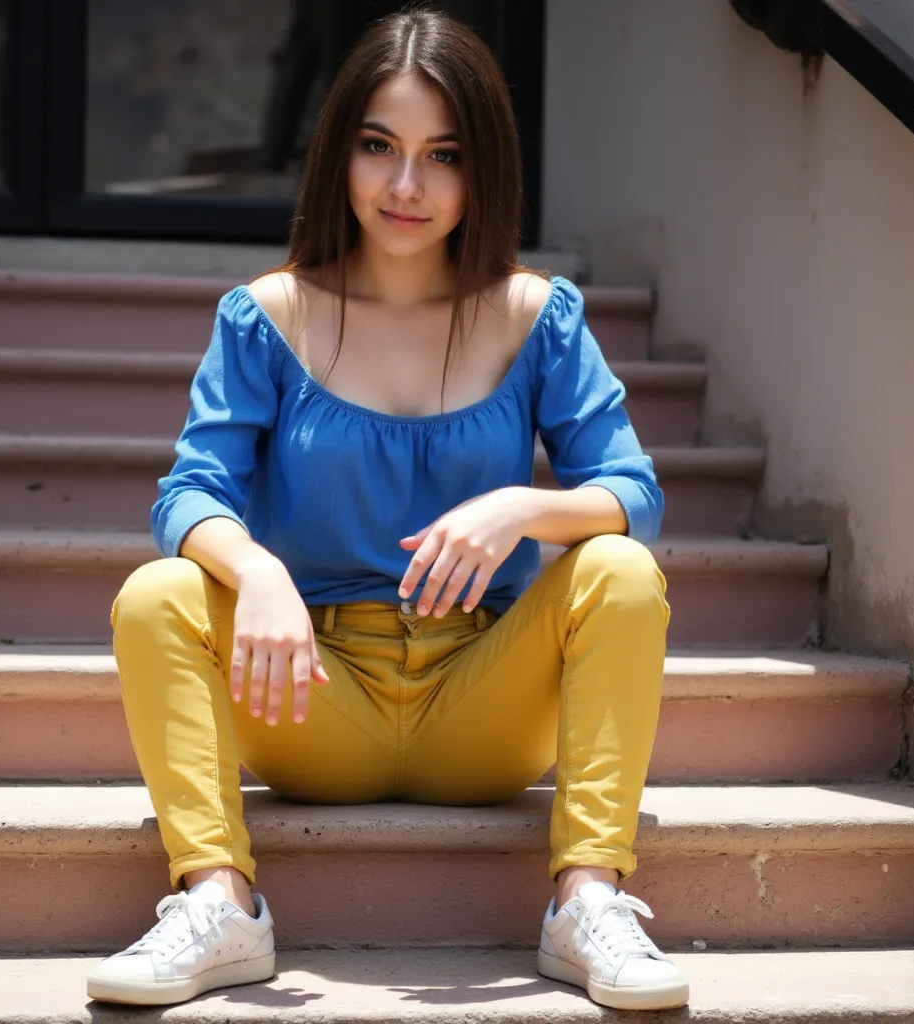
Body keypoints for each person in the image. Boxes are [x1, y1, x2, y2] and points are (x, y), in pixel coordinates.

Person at [85, 5, 688, 1013]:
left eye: (441, 155)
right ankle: (220, 904)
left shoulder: (536, 316)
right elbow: (190, 492)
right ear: (339, 155)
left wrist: (518, 509)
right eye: (378, 148)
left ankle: (587, 902)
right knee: (159, 593)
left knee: (622, 571)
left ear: (481, 166)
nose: (405, 187)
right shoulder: (268, 315)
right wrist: (260, 571)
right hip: (311, 697)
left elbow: (633, 491)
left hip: (481, 709)